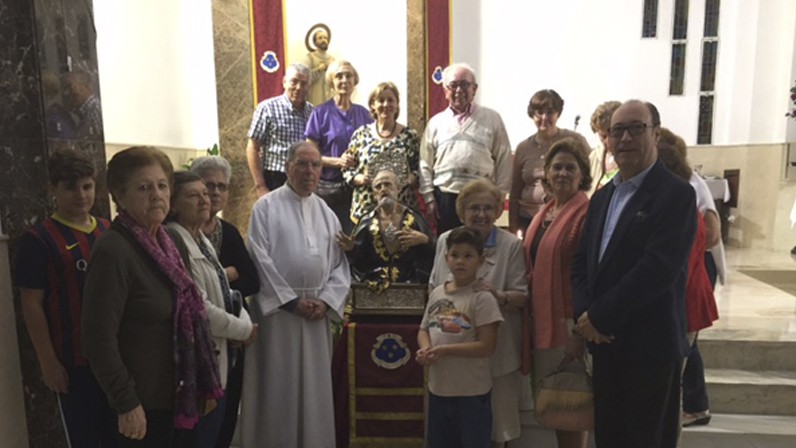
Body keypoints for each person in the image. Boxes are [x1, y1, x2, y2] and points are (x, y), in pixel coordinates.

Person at [572, 100, 696, 448]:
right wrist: (585, 315)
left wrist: (600, 316)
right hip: (605, 344)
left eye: (635, 129)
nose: (625, 138)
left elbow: (657, 270)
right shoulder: (601, 197)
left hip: (649, 345)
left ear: (655, 134)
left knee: (647, 440)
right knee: (609, 437)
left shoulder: (675, 194)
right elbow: (582, 261)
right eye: (616, 131)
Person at [82, 146, 223, 446]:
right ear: (119, 196)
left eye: (161, 185)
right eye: (144, 187)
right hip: (141, 408)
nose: (156, 194)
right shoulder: (113, 251)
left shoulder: (169, 239)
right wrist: (126, 403)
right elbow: (98, 338)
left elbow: (190, 308)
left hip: (180, 397)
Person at [241, 141, 350, 448]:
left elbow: (340, 265)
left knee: (314, 389)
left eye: (316, 165)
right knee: (279, 386)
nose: (310, 171)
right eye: (302, 164)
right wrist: (290, 302)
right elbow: (258, 258)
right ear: (287, 167)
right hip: (278, 317)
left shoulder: (326, 212)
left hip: (315, 316)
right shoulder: (266, 208)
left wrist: (327, 301)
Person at [15, 149, 115, 447]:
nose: (81, 195)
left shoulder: (110, 231)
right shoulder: (38, 239)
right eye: (70, 188)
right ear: (53, 189)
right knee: (85, 438)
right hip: (73, 359)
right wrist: (47, 360)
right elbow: (31, 303)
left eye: (87, 186)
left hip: (116, 357)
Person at [429, 179, 528, 448]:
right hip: (451, 356)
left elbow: (522, 297)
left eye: (488, 208)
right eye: (474, 208)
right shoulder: (444, 241)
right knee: (452, 431)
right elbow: (434, 287)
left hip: (497, 353)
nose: (481, 214)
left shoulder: (511, 246)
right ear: (462, 212)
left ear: (498, 211)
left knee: (497, 429)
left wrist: (498, 295)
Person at [164, 171, 257, 448]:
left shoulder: (201, 239)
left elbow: (226, 290)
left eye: (205, 193)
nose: (205, 200)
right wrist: (243, 329)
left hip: (221, 353)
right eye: (194, 195)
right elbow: (197, 304)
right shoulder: (174, 239)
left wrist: (243, 319)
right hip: (198, 361)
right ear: (173, 204)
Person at [522, 139, 592, 448]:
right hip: (543, 318)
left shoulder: (587, 213)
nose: (562, 173)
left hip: (568, 320)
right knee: (556, 400)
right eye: (557, 167)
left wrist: (580, 330)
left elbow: (590, 274)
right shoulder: (545, 213)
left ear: (581, 175)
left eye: (570, 168)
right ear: (546, 174)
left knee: (570, 403)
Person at [190, 155, 260, 448]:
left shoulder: (227, 232)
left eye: (222, 186)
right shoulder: (179, 232)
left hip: (230, 337)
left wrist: (223, 277)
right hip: (198, 338)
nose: (215, 193)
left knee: (227, 413)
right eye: (209, 186)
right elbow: (193, 291)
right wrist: (226, 274)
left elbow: (251, 281)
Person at [416, 227, 503, 448]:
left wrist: (445, 351)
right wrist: (426, 348)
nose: (460, 261)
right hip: (439, 389)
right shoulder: (437, 293)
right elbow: (424, 329)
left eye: (468, 256)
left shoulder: (482, 298)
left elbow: (486, 346)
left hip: (471, 394)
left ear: (480, 260)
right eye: (455, 255)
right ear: (446, 259)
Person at [657, 128, 720, 428]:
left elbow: (703, 243)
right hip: (686, 292)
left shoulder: (682, 204)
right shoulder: (679, 199)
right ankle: (694, 406)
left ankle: (695, 407)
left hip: (687, 295)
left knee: (684, 352)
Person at [419, 63, 512, 234]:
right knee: (449, 249)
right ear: (445, 90)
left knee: (480, 250)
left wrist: (499, 197)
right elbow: (425, 163)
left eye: (465, 84)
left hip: (480, 199)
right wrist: (429, 198)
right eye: (453, 85)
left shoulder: (492, 119)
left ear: (474, 89)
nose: (459, 90)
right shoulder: (435, 123)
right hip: (445, 199)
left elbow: (504, 159)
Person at [509, 89, 590, 236]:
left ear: (558, 113)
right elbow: (514, 193)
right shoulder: (523, 148)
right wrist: (513, 228)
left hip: (565, 217)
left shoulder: (575, 141)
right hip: (527, 218)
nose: (544, 117)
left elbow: (590, 176)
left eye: (550, 112)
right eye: (539, 112)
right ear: (532, 114)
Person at [337, 169, 434, 291]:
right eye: (378, 186)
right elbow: (359, 261)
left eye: (387, 184)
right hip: (374, 286)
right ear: (374, 194)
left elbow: (436, 250)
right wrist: (351, 249)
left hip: (409, 285)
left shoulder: (415, 218)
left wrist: (425, 240)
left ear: (398, 188)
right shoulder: (366, 221)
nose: (383, 189)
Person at [305, 60, 373, 233]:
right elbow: (310, 155)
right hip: (330, 189)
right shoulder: (320, 113)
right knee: (329, 235)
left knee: (356, 237)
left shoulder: (364, 114)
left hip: (359, 190)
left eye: (348, 75)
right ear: (331, 82)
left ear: (354, 81)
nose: (344, 80)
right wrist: (338, 162)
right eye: (339, 76)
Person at [342, 82, 420, 224]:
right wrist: (359, 178)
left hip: (400, 212)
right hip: (366, 211)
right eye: (381, 100)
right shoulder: (360, 134)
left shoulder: (410, 136)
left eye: (391, 100)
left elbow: (418, 169)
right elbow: (347, 168)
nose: (386, 104)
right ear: (373, 105)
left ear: (397, 105)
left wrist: (409, 179)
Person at [246, 63, 313, 197]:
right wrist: (260, 186)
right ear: (284, 82)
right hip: (275, 178)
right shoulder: (267, 108)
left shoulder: (312, 112)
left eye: (303, 83)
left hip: (303, 179)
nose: (298, 87)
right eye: (294, 82)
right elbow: (253, 148)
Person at [587, 101, 622, 195]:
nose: (608, 141)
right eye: (603, 136)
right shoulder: (594, 156)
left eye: (613, 133)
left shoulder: (632, 157)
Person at [63, 71, 103, 139]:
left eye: (70, 87)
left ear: (85, 86)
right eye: (65, 89)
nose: (66, 93)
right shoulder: (85, 113)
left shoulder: (94, 112)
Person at [302, 26, 335, 106]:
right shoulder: (310, 58)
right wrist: (318, 70)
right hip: (314, 99)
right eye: (320, 38)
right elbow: (304, 78)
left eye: (325, 38)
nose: (323, 40)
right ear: (315, 42)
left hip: (329, 99)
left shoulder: (332, 59)